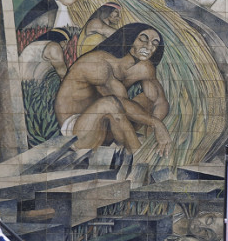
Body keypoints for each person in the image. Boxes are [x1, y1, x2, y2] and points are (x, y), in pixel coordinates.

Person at [55, 23, 172, 155]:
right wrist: (156, 123)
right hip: (78, 132)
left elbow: (160, 102)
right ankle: (140, 156)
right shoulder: (98, 64)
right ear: (130, 38)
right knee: (109, 103)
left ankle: (143, 145)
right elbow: (118, 103)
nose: (149, 46)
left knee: (148, 98)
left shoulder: (144, 68)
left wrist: (153, 131)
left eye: (154, 43)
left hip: (109, 126)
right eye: (143, 39)